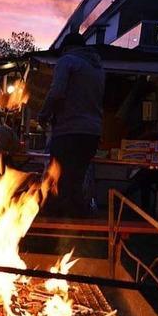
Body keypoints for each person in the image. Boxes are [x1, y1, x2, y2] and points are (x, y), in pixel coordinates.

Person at [38, 32, 105, 218]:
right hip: (92, 132)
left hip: (69, 130)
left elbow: (57, 91)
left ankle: (53, 226)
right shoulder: (97, 68)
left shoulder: (67, 61)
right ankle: (77, 229)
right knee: (75, 181)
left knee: (57, 179)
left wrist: (44, 114)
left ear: (66, 48)